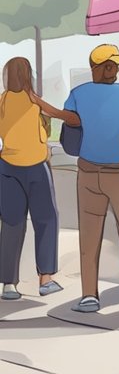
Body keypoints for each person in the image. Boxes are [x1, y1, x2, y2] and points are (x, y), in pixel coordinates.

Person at [63, 45, 119, 314]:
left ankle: (89, 294)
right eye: (110, 65)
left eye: (116, 66)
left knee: (90, 234)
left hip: (87, 172)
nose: (116, 70)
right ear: (97, 68)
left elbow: (70, 131)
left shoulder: (77, 94)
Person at [0, 58, 64, 299]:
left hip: (7, 167)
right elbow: (58, 116)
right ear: (28, 76)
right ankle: (45, 279)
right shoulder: (34, 101)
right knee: (47, 219)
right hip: (37, 167)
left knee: (12, 223)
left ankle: (8, 283)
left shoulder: (2, 101)